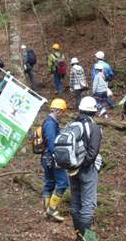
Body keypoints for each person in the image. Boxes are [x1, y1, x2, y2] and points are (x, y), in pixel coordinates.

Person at [69, 96, 102, 241]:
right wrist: (85, 165)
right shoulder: (94, 127)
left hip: (71, 168)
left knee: (76, 202)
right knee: (88, 205)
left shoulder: (71, 125)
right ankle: (87, 238)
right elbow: (93, 152)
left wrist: (76, 165)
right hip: (86, 169)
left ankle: (79, 236)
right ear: (93, 112)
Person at [41, 99, 69, 223]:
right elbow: (52, 143)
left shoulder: (51, 122)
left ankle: (47, 210)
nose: (63, 114)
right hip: (52, 158)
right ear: (58, 110)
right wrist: (57, 157)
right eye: (62, 111)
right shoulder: (50, 123)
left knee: (49, 183)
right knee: (62, 182)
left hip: (47, 157)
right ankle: (51, 209)